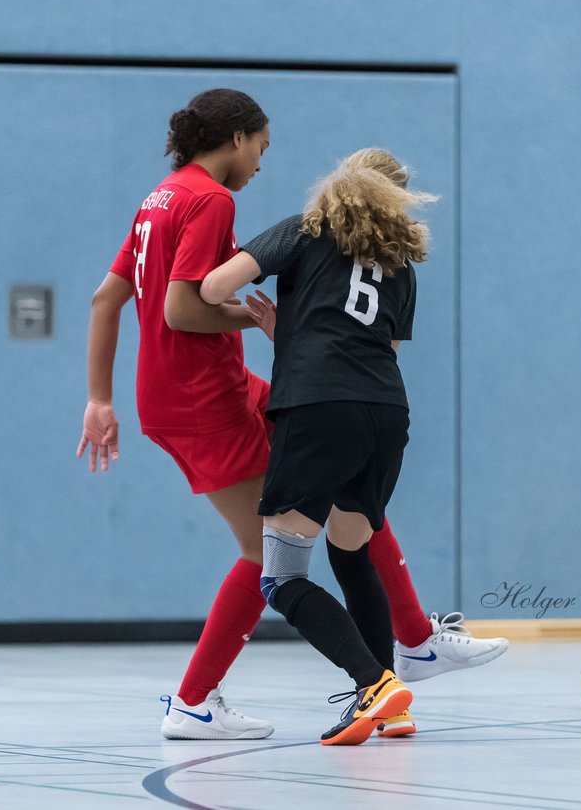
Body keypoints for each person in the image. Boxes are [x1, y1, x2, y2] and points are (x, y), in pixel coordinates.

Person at [79, 91, 505, 741]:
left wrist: (99, 397)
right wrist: (267, 321)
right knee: (266, 554)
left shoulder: (159, 197)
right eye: (263, 148)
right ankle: (197, 701)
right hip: (204, 396)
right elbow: (181, 310)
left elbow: (107, 298)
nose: (262, 164)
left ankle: (414, 641)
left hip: (197, 386)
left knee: (332, 490)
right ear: (239, 138)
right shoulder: (213, 199)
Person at [199, 147, 439, 744]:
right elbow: (382, 354)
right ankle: (390, 701)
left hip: (317, 411)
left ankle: (374, 684)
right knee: (352, 551)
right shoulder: (400, 263)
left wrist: (284, 330)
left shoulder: (304, 230)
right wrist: (305, 335)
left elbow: (210, 288)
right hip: (387, 414)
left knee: (280, 578)